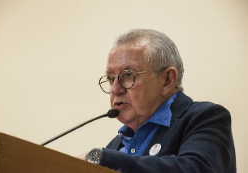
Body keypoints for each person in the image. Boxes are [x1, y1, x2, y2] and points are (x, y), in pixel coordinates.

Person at [83, 29, 236, 173]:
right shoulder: (116, 145)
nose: (115, 89)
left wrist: (104, 158)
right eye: (110, 79)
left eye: (128, 75)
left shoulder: (205, 118)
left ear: (167, 80)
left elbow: (195, 169)